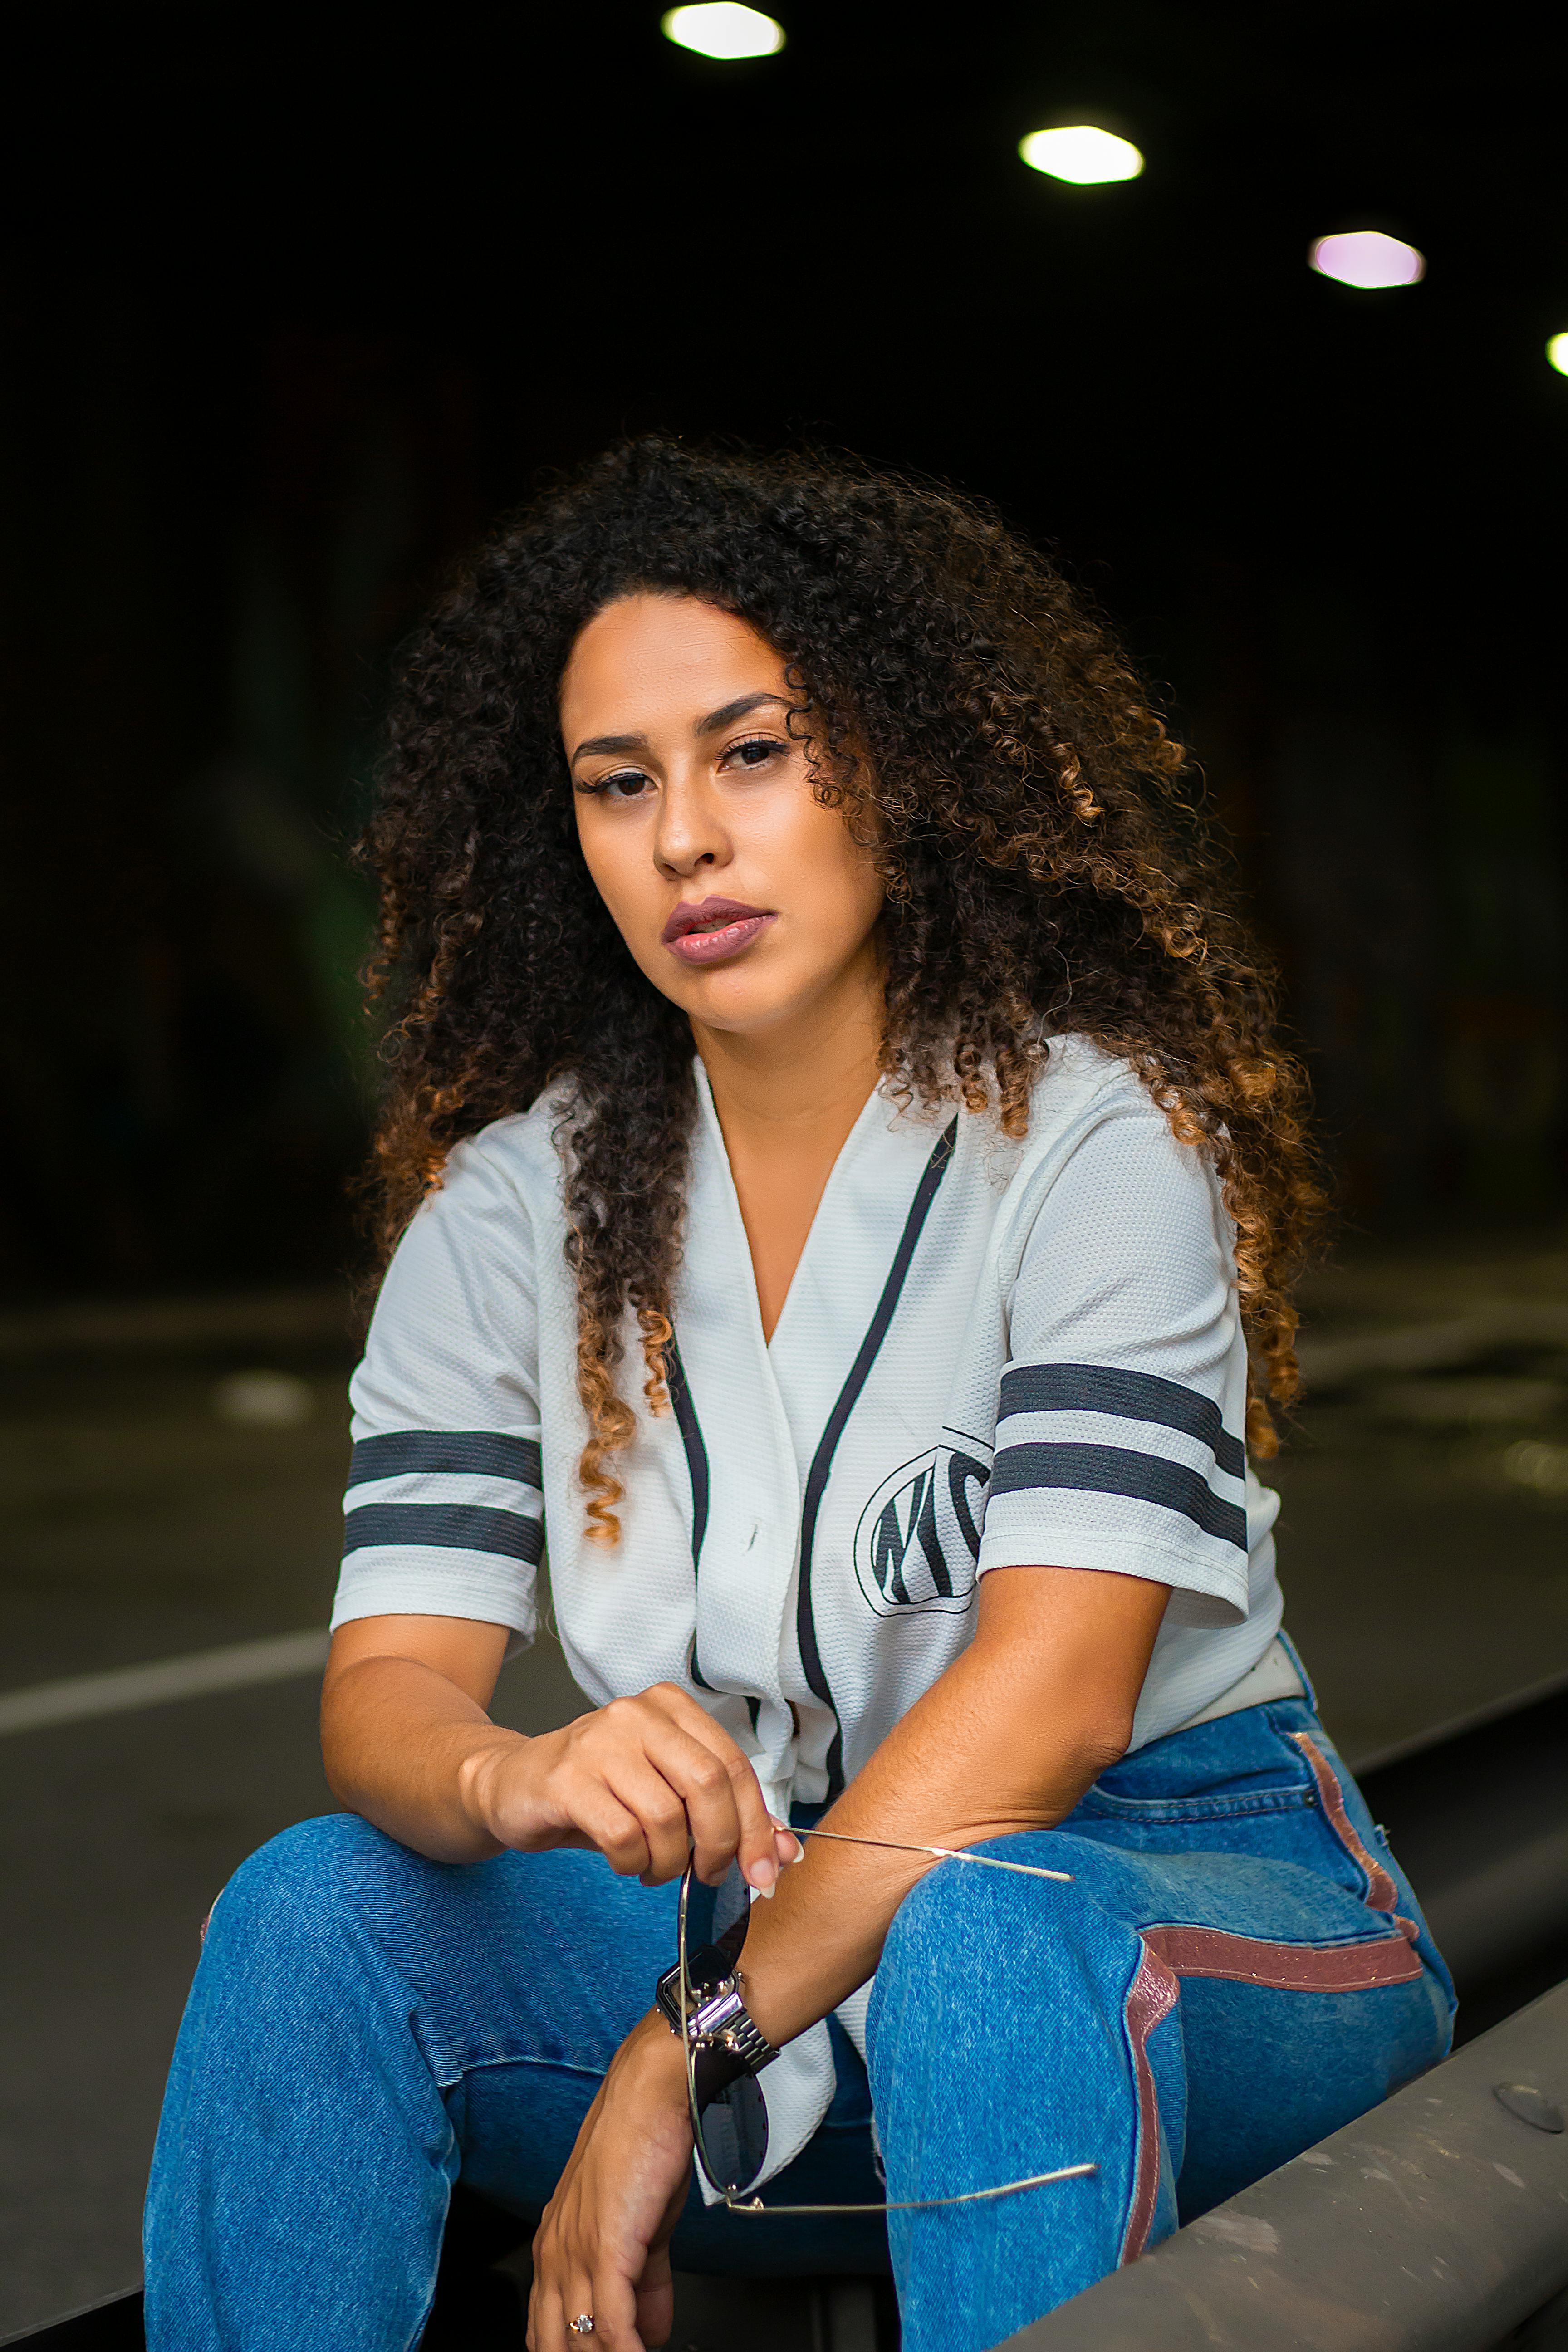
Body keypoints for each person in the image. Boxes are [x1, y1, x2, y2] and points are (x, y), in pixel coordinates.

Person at [144, 441, 1453, 2352]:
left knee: (992, 1933)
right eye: (620, 783)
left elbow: (1060, 1699)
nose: (684, 836)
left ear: (898, 767)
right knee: (314, 1912)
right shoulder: (510, 1210)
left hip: (1190, 1894)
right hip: (763, 1940)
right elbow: (388, 1695)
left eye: (751, 752)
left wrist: (676, 2061)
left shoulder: (1090, 1140)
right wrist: (513, 1772)